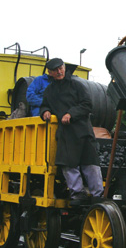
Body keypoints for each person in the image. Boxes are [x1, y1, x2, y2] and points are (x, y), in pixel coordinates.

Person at [38, 58, 104, 205]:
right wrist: (45, 112)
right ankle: (78, 194)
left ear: (64, 68)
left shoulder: (76, 85)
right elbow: (44, 105)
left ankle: (97, 195)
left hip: (82, 130)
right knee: (67, 164)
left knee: (90, 163)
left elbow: (87, 104)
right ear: (50, 73)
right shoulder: (49, 90)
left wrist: (71, 114)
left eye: (61, 68)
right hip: (66, 132)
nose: (59, 71)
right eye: (55, 70)